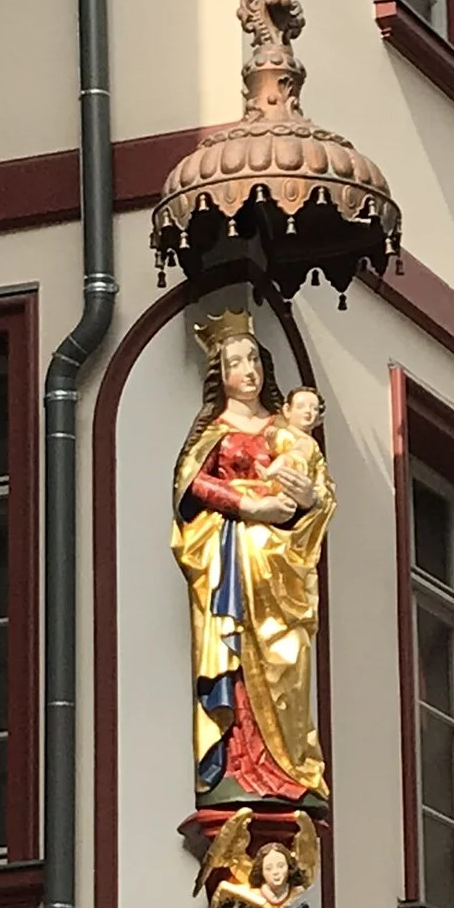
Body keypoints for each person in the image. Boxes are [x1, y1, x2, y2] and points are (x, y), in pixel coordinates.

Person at [172, 314, 336, 806]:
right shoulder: (214, 431)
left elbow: (321, 495)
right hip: (234, 560)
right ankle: (239, 764)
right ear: (219, 374)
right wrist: (249, 505)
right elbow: (189, 486)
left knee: (290, 660)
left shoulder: (286, 430)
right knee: (237, 657)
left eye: (253, 360)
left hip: (283, 567)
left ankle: (290, 769)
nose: (248, 370)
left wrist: (309, 497)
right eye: (235, 361)